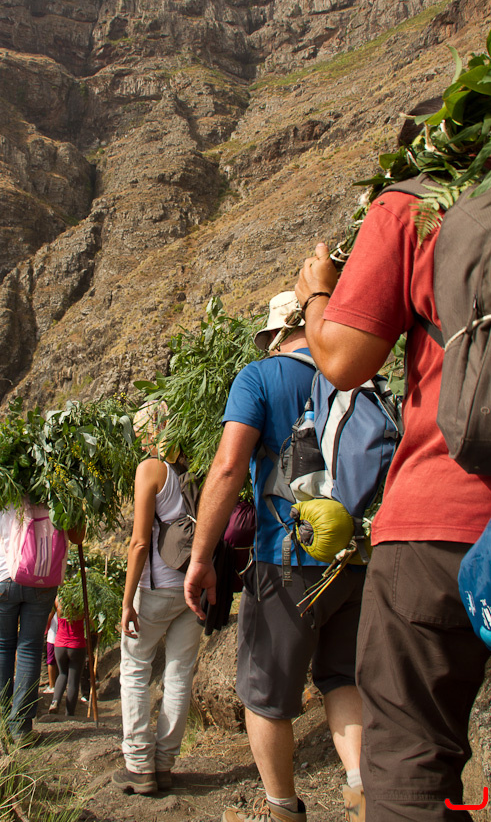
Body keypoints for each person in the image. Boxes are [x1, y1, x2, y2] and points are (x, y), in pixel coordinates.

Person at [296, 178, 491, 819]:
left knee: (411, 768)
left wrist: (318, 294)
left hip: (441, 526)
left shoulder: (416, 201)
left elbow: (344, 360)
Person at [184, 292, 365, 822]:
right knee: (343, 679)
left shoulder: (259, 378)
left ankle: (282, 809)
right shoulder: (355, 371)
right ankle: (364, 798)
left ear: (276, 336)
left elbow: (228, 467)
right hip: (354, 559)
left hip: (286, 560)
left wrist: (201, 557)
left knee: (265, 695)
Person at [112, 401, 203, 796]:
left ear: (154, 430)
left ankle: (138, 766)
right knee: (179, 673)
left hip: (156, 589)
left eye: (140, 431)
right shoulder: (195, 467)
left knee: (135, 667)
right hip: (193, 586)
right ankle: (164, 764)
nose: (139, 440)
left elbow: (139, 542)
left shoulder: (151, 469)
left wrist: (126, 601)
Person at [0, 505, 83, 745]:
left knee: (1, 646)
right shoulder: (59, 489)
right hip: (42, 576)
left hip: (2, 575)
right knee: (29, 648)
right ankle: (21, 728)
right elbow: (77, 536)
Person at [48, 595, 87, 717]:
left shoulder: (59, 601)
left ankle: (55, 701)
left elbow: (50, 616)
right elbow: (91, 622)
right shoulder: (82, 604)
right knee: (73, 681)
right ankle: (69, 713)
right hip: (77, 645)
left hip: (60, 645)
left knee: (62, 674)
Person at [44, 606, 59, 693]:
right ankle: (53, 685)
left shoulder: (55, 603)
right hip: (55, 634)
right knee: (52, 661)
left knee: (51, 661)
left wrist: (45, 627)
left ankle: (52, 685)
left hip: (54, 636)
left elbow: (50, 615)